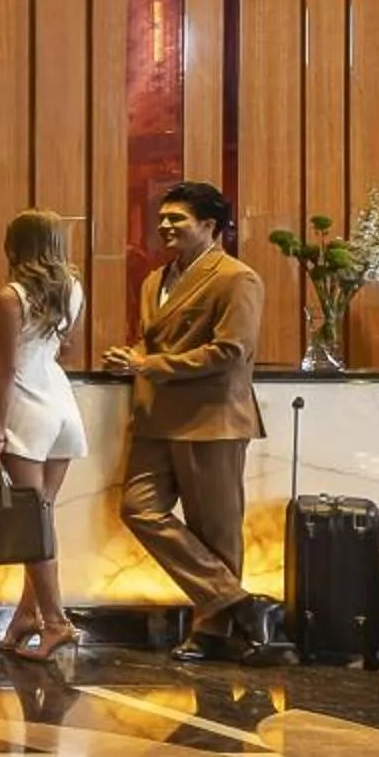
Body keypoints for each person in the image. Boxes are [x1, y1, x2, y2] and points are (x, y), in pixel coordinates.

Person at [105, 180, 291, 665]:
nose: (164, 225)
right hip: (156, 418)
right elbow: (161, 343)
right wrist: (136, 356)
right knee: (138, 509)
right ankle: (242, 605)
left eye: (176, 219)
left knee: (216, 530)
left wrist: (150, 366)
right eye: (163, 217)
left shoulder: (237, 278)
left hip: (212, 419)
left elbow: (232, 352)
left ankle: (212, 631)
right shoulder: (154, 280)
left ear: (209, 226)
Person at [0, 209, 85, 661]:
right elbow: (63, 348)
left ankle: (57, 622)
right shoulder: (74, 289)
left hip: (24, 406)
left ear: (14, 244)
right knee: (39, 518)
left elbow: (6, 370)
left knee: (31, 525)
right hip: (61, 405)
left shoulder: (9, 296)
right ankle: (28, 615)